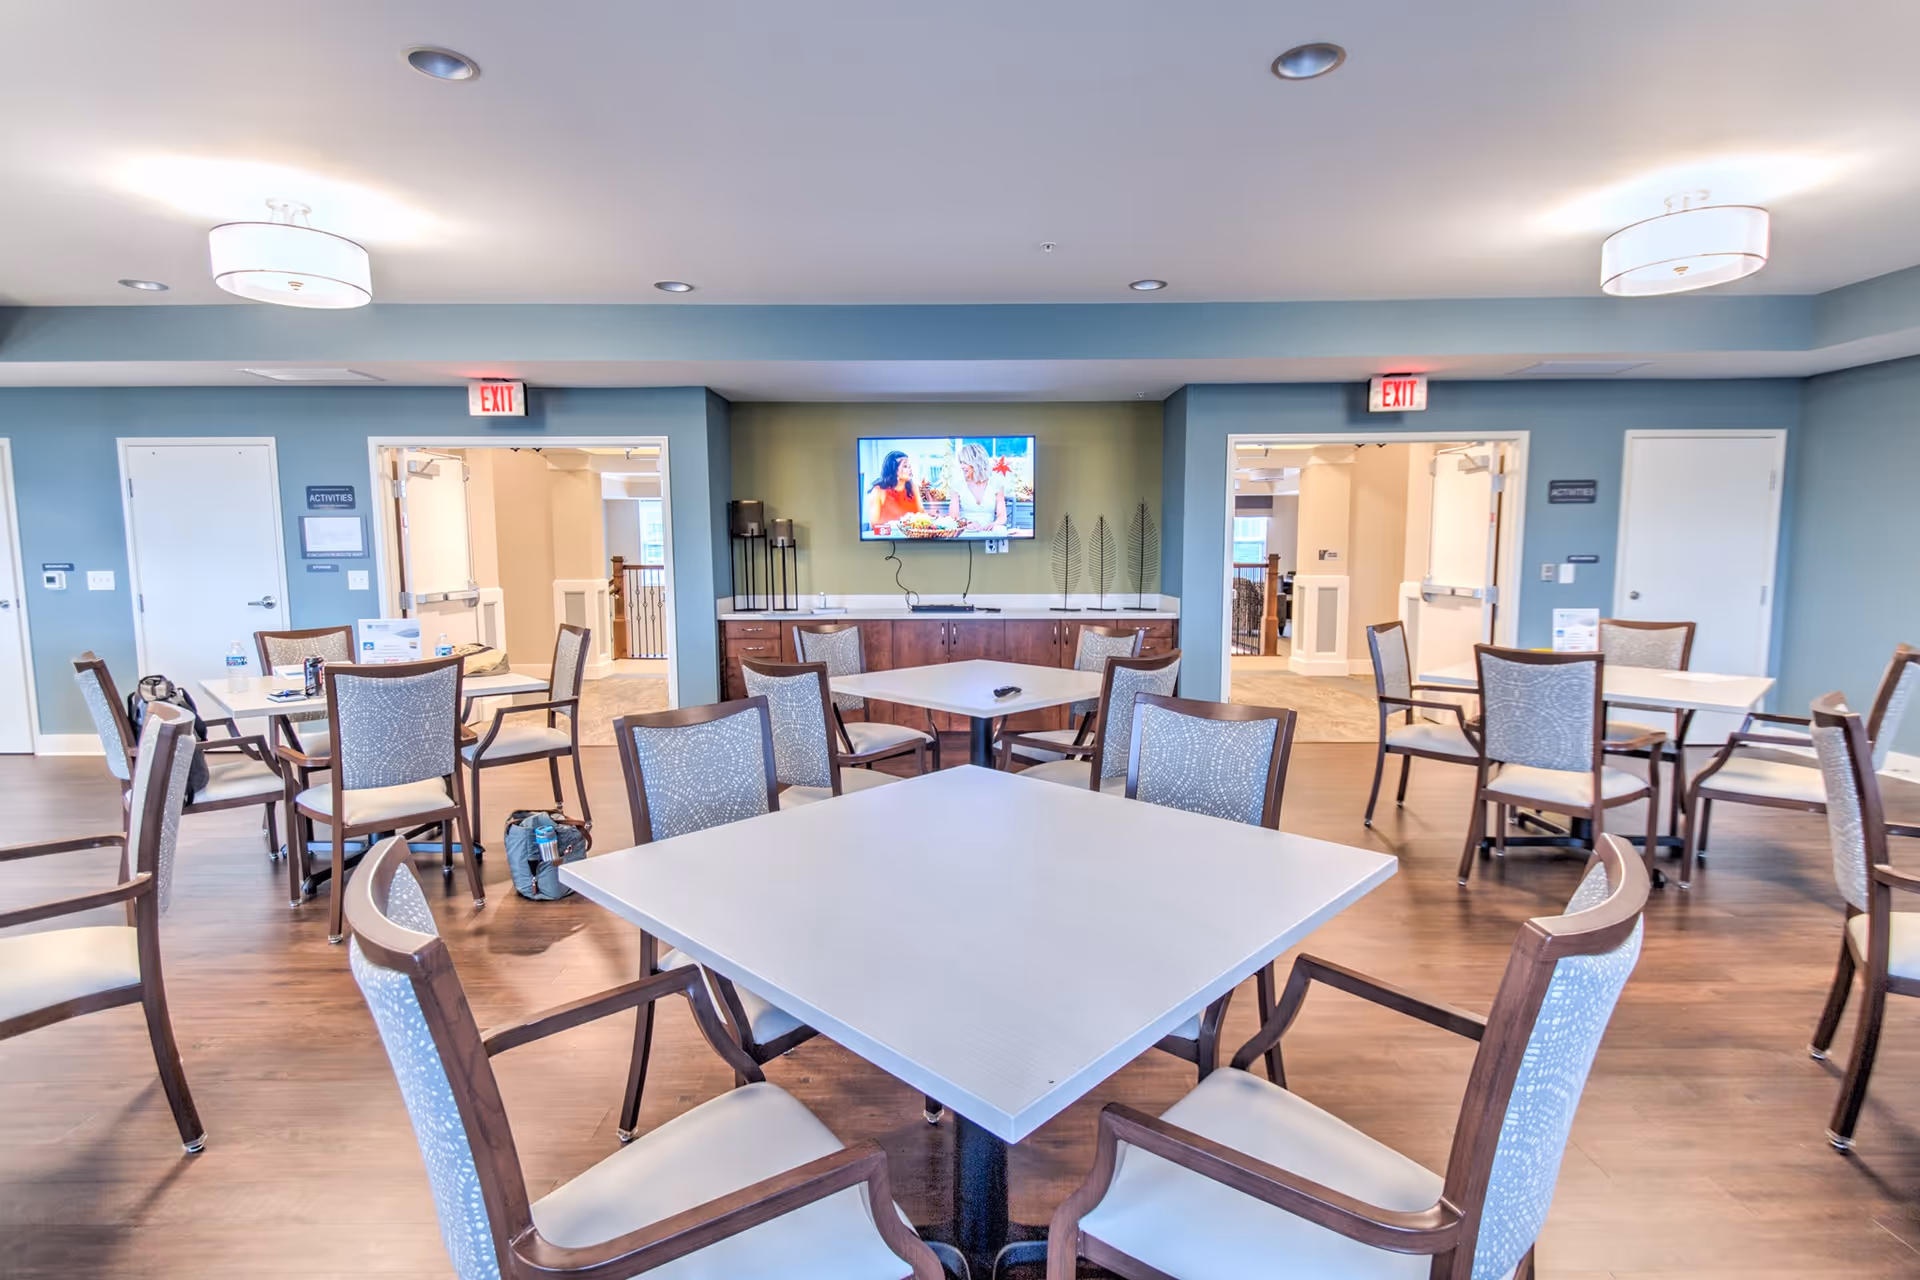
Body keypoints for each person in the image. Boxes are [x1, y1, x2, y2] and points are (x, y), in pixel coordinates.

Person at [947, 441, 1009, 532]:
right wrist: (967, 524)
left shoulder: (996, 484)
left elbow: (1002, 517)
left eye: (964, 462)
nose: (962, 466)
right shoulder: (957, 486)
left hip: (988, 532)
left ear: (976, 462)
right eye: (960, 462)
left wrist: (994, 524)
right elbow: (953, 516)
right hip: (966, 531)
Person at [865, 449, 923, 532]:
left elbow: (921, 513)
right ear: (894, 470)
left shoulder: (913, 487)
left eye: (909, 466)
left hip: (913, 539)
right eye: (905, 466)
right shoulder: (879, 490)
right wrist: (898, 526)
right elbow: (874, 524)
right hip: (888, 539)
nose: (910, 469)